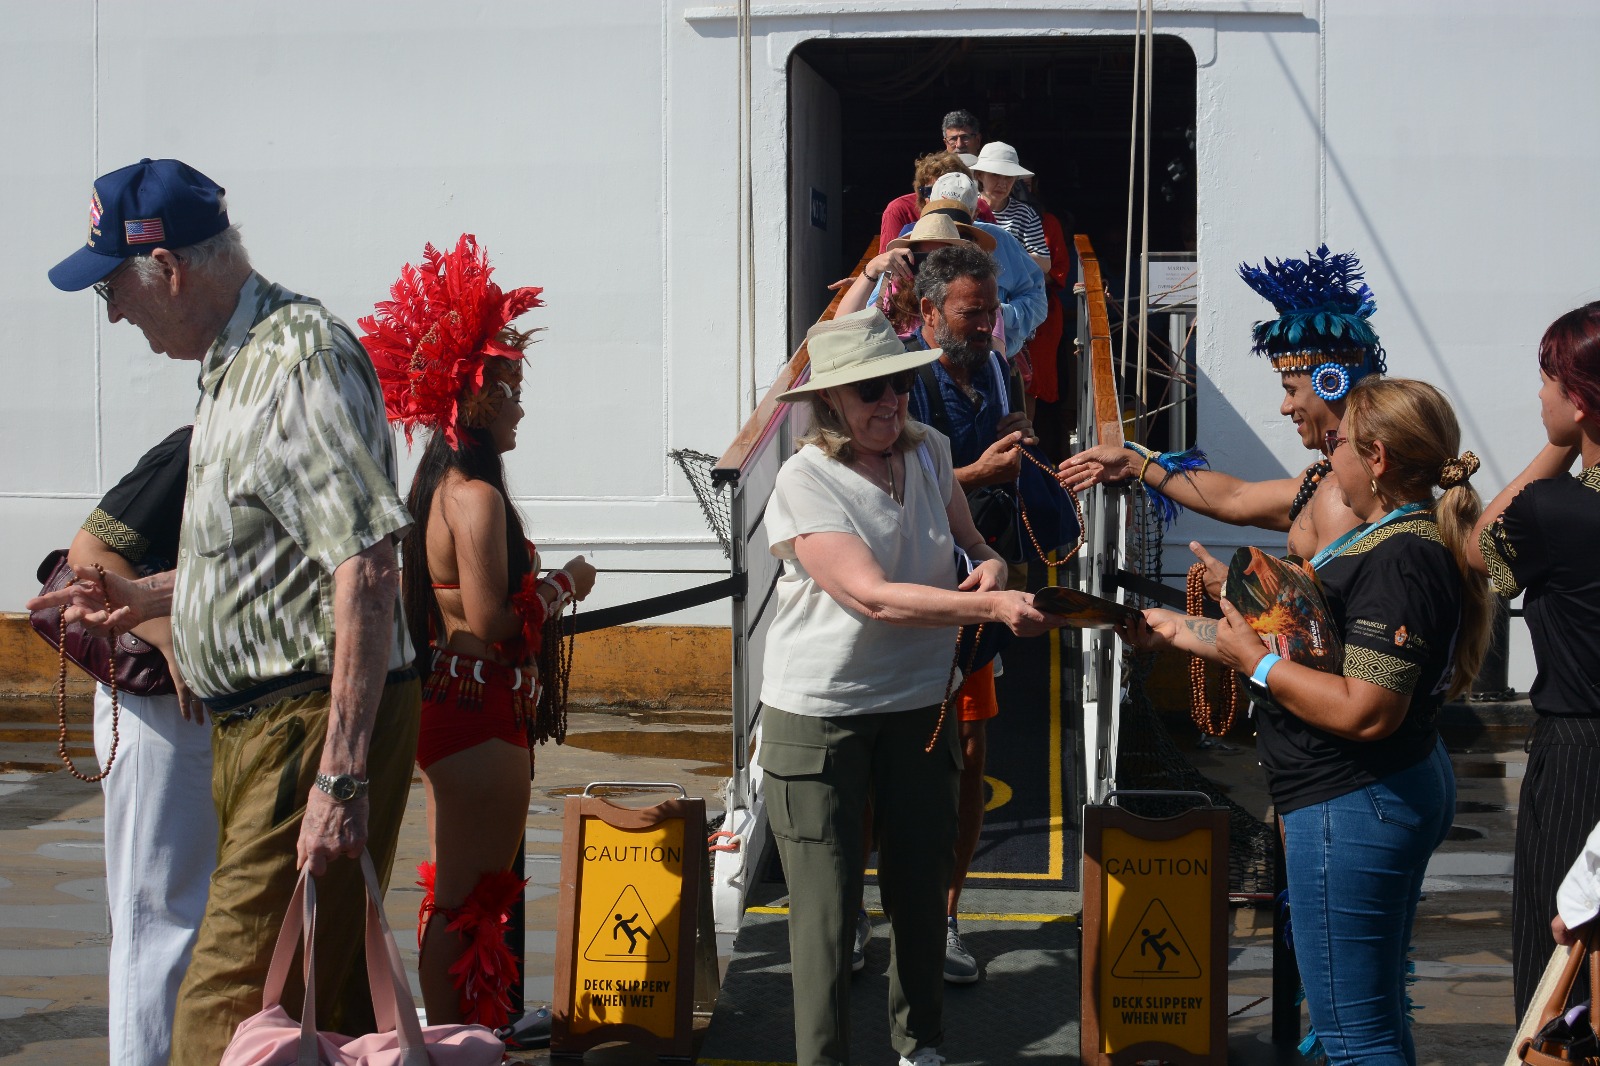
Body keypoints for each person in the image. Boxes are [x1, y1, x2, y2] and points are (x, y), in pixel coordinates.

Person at [33, 157, 420, 1066]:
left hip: (304, 716)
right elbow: (278, 563)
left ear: (167, 268)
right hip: (269, 720)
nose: (116, 312)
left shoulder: (297, 364)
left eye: (114, 290)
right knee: (305, 1011)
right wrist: (148, 596)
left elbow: (365, 567)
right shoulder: (236, 367)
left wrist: (341, 778)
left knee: (221, 1020)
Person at [1121, 377, 1490, 1066]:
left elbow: (1367, 710)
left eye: (1340, 440)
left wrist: (1255, 665)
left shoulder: (1400, 557)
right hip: (1365, 793)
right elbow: (1304, 654)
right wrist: (1181, 628)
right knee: (1373, 1021)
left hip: (1354, 797)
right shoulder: (1388, 538)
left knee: (1355, 1037)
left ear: (1375, 458)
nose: (1327, 450)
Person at [760, 307, 1059, 1066]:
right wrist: (991, 602)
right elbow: (873, 596)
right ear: (830, 402)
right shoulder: (804, 478)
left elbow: (972, 538)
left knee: (921, 892)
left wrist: (990, 560)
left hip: (920, 706)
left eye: (893, 385)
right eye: (866, 392)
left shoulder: (929, 451)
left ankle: (919, 1048)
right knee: (826, 915)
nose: (885, 403)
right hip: (819, 717)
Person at [359, 234, 596, 1028]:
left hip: (448, 707)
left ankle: (463, 1026)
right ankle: (461, 1033)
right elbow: (495, 619)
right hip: (481, 714)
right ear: (484, 398)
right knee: (474, 895)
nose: (523, 404)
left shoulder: (436, 488)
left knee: (457, 891)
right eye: (514, 387)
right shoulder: (479, 498)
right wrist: (566, 583)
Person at [1058, 245, 1389, 568]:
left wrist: (1231, 595)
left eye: (1291, 391)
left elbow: (1319, 616)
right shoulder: (1326, 478)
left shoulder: (1344, 495)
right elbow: (1236, 498)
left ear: (1331, 383)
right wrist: (1137, 463)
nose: (1285, 407)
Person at [904, 244, 1036, 984]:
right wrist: (980, 471)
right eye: (971, 313)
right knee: (891, 761)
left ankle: (947, 917)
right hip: (910, 600)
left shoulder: (991, 364)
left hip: (978, 594)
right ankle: (870, 914)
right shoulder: (900, 381)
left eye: (989, 311)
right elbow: (883, 476)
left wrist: (1013, 429)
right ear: (927, 313)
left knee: (972, 762)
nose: (988, 324)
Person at [64, 426, 215, 1066]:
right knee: (157, 916)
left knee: (196, 912)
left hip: (215, 706)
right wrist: (166, 636)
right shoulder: (193, 445)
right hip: (162, 709)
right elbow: (91, 553)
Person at [1469, 302, 1600, 1017]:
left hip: (1581, 748)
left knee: (1559, 978)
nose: (1539, 397)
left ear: (1579, 401)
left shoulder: (1557, 510)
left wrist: (1564, 445)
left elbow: (1477, 548)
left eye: (1550, 382)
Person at [836, 211, 994, 337]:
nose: (932, 267)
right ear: (909, 257)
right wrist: (872, 268)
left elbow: (991, 349)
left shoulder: (977, 295)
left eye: (941, 258)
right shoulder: (894, 289)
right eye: (922, 258)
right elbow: (842, 329)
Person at [877, 152, 995, 266]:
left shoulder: (993, 231)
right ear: (921, 195)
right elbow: (888, 268)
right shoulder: (899, 211)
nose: (943, 199)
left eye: (956, 190)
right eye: (931, 191)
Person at [969, 143, 1050, 276]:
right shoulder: (966, 208)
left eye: (1008, 177)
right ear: (979, 175)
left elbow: (1045, 263)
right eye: (995, 175)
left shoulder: (1026, 214)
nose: (1002, 183)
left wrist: (1003, 252)